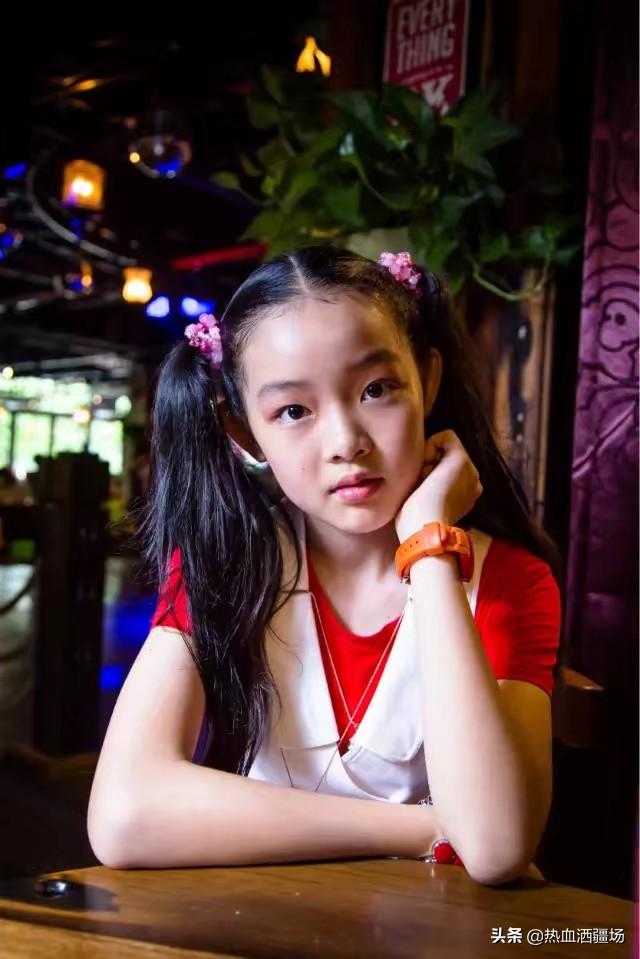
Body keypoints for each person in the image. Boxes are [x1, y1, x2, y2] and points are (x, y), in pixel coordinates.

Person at [87, 247, 561, 885]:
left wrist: (429, 546)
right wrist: (424, 828)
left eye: (376, 390)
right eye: (293, 411)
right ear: (245, 434)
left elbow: (496, 846)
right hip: (260, 916)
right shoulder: (226, 565)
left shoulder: (510, 581)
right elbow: (122, 815)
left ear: (428, 380)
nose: (346, 442)